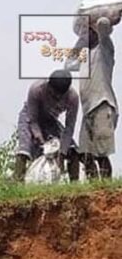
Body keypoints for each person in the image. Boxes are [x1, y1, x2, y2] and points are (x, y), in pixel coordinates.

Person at [13, 70, 80, 181]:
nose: (57, 97)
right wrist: (40, 139)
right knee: (25, 148)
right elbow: (33, 120)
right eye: (54, 94)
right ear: (49, 86)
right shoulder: (36, 89)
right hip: (30, 116)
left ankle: (75, 184)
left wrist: (62, 153)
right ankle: (17, 181)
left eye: (60, 95)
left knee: (72, 149)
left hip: (50, 120)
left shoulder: (73, 98)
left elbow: (69, 128)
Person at [76, 12, 119, 179]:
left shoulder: (105, 49)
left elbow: (103, 24)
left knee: (102, 152)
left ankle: (106, 188)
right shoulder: (84, 58)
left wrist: (94, 23)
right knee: (84, 154)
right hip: (88, 110)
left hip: (102, 104)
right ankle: (94, 187)